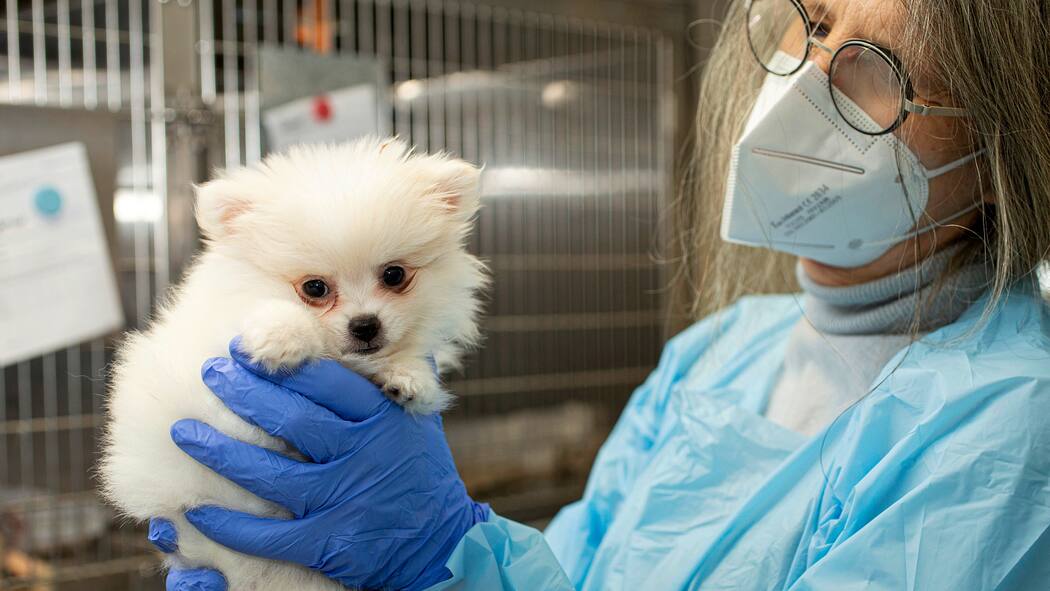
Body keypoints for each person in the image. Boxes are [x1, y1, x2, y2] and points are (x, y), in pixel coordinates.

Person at [149, 0, 1050, 588]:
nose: (808, 80)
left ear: (1002, 143)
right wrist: (450, 565)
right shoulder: (722, 351)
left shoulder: (1012, 425)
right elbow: (571, 576)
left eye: (879, 70)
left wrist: (435, 544)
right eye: (810, 26)